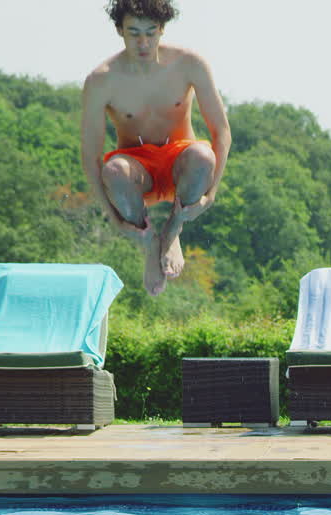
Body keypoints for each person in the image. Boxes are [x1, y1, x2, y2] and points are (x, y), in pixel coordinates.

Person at [80, 0, 231, 295]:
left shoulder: (189, 64)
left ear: (162, 29)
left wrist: (210, 196)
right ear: (120, 30)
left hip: (181, 164)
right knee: (113, 170)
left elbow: (222, 132)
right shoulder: (102, 80)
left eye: (150, 32)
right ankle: (149, 240)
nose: (143, 43)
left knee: (203, 155)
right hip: (138, 171)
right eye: (134, 33)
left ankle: (174, 227)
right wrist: (114, 219)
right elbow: (90, 156)